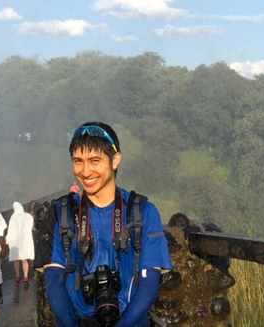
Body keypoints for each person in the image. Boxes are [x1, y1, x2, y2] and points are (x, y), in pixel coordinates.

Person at [45, 122, 172, 327]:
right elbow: (54, 281)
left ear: (115, 160)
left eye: (95, 161)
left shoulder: (143, 212)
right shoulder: (62, 213)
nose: (85, 172)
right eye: (78, 161)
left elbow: (149, 282)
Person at [6, 201, 35, 289]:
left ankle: (18, 276)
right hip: (25, 241)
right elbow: (31, 226)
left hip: (15, 242)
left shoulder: (13, 217)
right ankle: (25, 277)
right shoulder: (27, 216)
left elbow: (10, 230)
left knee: (16, 260)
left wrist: (8, 240)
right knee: (24, 259)